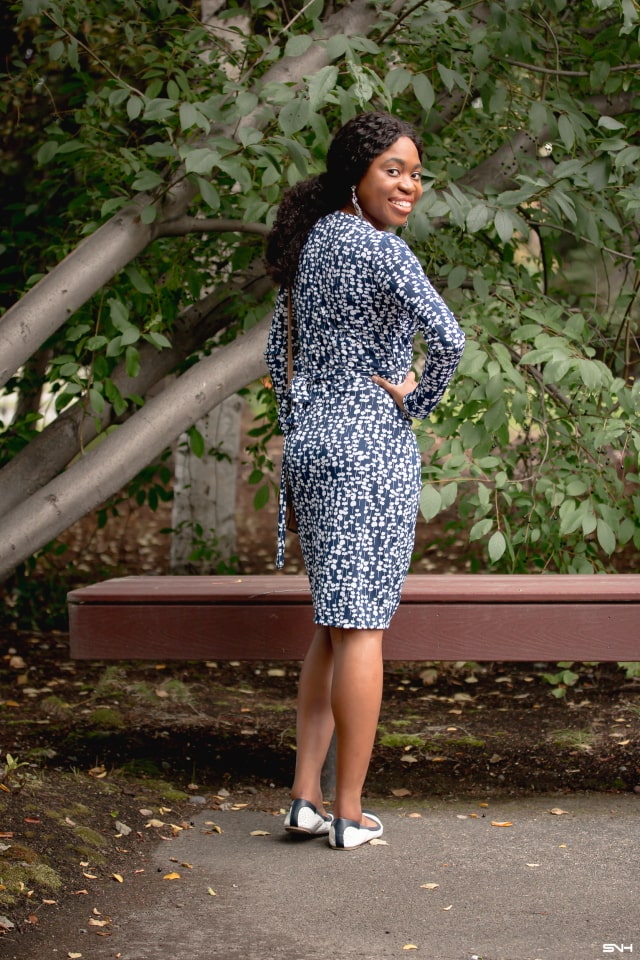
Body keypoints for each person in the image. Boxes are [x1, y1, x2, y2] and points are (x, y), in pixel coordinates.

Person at [264, 112, 465, 850]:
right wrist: (418, 398)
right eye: (393, 169)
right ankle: (349, 815)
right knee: (363, 629)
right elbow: (449, 337)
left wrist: (307, 419)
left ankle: (304, 799)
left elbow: (274, 355)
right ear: (356, 174)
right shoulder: (378, 248)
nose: (409, 184)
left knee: (332, 625)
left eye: (416, 173)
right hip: (366, 452)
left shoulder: (310, 244)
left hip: (313, 448)